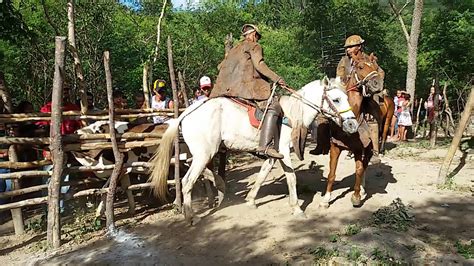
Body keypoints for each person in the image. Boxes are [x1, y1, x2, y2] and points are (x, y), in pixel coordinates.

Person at [210, 24, 286, 159]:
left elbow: (219, 66)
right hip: (246, 88)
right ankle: (265, 146)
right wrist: (277, 78)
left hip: (223, 90)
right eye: (257, 36)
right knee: (273, 106)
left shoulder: (234, 49)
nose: (257, 39)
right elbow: (259, 65)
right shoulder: (255, 46)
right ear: (253, 35)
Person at [337, 35, 385, 162]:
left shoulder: (368, 59)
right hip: (349, 90)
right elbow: (339, 75)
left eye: (351, 47)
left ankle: (375, 151)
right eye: (347, 48)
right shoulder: (344, 61)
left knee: (372, 116)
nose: (348, 49)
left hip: (367, 92)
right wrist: (344, 81)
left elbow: (380, 72)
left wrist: (374, 83)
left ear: (359, 47)